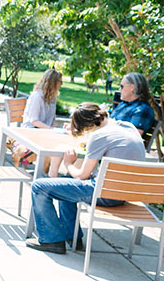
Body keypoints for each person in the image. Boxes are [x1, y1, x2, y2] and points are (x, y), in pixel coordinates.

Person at [26, 103, 146, 254]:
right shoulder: (128, 127)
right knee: (67, 182)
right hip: (126, 194)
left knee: (39, 186)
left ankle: (51, 239)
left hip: (106, 195)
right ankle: (73, 237)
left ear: (88, 125)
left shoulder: (99, 135)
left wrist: (68, 163)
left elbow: (83, 175)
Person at [18, 69, 62, 176]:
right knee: (50, 150)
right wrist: (51, 130)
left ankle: (47, 175)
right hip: (31, 132)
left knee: (58, 147)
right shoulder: (37, 97)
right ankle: (43, 176)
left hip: (44, 132)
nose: (61, 84)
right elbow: (34, 121)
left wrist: (52, 129)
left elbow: (52, 119)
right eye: (60, 81)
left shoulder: (53, 98)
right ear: (53, 82)